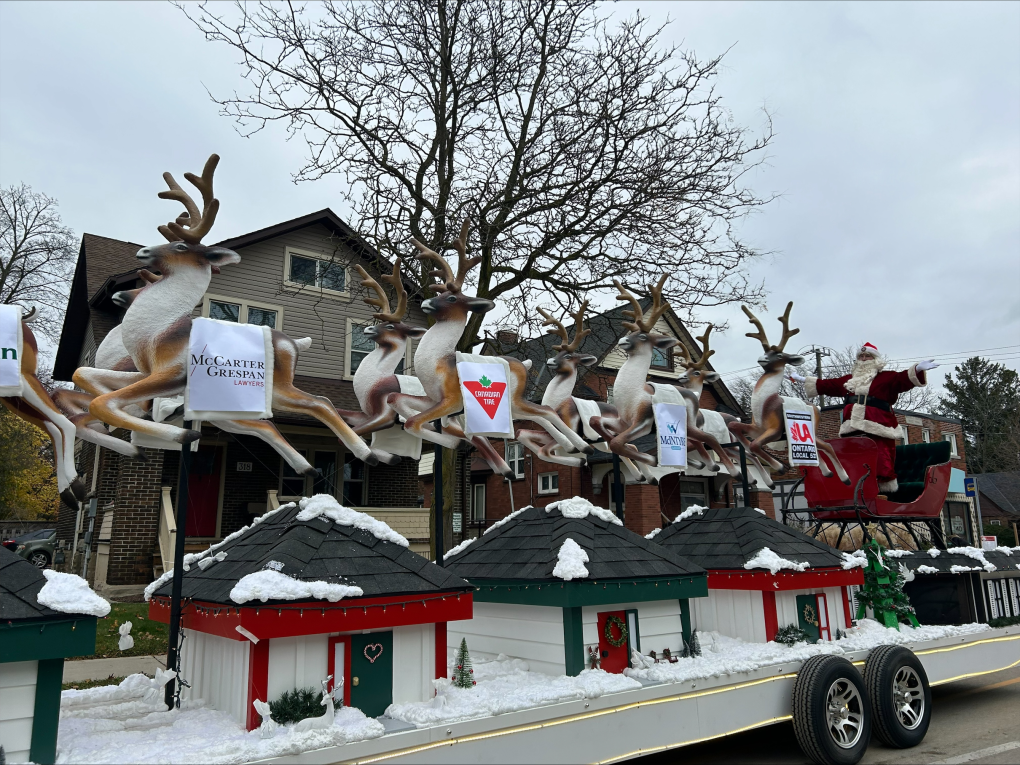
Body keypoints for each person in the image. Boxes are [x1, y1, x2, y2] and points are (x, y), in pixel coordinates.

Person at [789, 343, 938, 494]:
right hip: (851, 427)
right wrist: (801, 378)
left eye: (868, 356)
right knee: (853, 460)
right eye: (861, 356)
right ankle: (856, 490)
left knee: (881, 458)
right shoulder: (850, 380)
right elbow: (829, 385)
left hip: (878, 426)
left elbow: (903, 379)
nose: (864, 358)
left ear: (875, 359)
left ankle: (883, 492)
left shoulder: (887, 377)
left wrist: (918, 369)